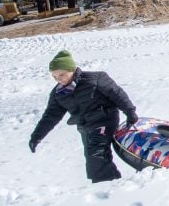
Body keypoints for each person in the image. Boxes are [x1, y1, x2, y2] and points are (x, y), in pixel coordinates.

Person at [28, 50, 138, 183]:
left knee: (95, 155)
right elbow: (50, 116)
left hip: (104, 120)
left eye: (62, 74)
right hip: (85, 127)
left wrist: (130, 112)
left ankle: (107, 187)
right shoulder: (58, 93)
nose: (59, 79)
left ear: (72, 69)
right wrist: (37, 136)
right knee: (92, 157)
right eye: (55, 77)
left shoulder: (95, 79)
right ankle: (112, 183)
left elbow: (117, 94)